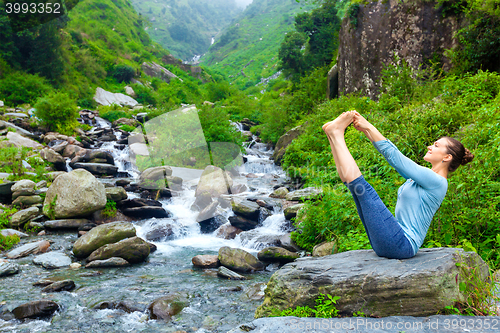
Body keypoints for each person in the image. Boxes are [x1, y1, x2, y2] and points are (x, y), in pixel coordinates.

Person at [322, 111, 474, 259]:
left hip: (402, 244)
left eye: (436, 145)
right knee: (356, 189)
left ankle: (336, 134)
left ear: (447, 157)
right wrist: (365, 130)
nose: (429, 147)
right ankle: (333, 136)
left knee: (362, 189)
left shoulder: (438, 182)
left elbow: (395, 156)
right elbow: (392, 158)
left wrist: (368, 126)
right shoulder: (420, 180)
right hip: (393, 241)